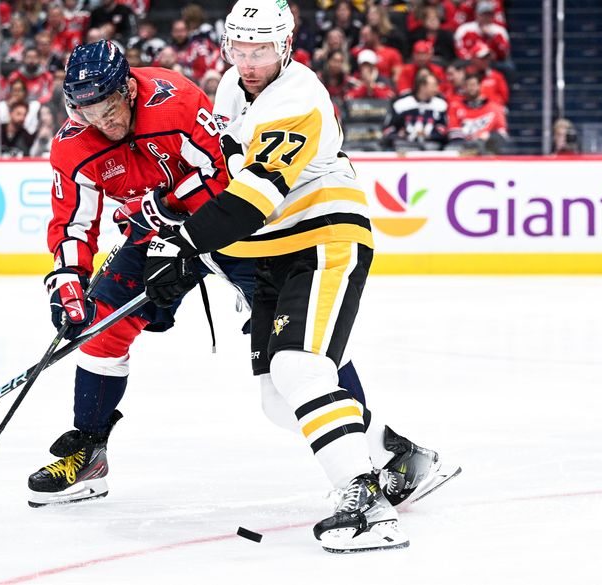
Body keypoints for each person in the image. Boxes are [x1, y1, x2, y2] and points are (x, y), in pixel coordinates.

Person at [30, 38, 453, 545]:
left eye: (111, 107)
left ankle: (387, 454)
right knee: (101, 325)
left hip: (230, 230)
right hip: (155, 232)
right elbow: (74, 222)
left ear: (127, 89)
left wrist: (174, 223)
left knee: (300, 354)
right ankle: (89, 451)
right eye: (89, 112)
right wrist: (67, 281)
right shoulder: (74, 142)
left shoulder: (176, 99)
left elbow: (225, 175)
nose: (105, 121)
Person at [142, 0, 454, 553]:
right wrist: (176, 220)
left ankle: (367, 507)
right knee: (277, 401)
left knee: (299, 365)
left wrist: (185, 246)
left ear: (284, 46)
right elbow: (225, 177)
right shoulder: (231, 88)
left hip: (324, 238)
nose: (248, 60)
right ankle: (397, 457)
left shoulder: (298, 98)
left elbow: (250, 202)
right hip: (274, 253)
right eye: (239, 48)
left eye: (260, 49)